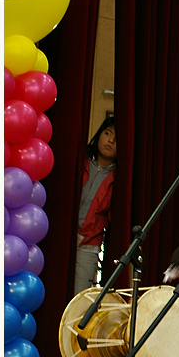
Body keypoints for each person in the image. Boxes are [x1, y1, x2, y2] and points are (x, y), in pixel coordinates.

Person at [75, 116, 116, 294]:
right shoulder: (80, 162)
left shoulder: (118, 178)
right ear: (99, 134)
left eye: (117, 139)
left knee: (79, 298)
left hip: (89, 244)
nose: (111, 140)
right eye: (108, 133)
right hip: (64, 236)